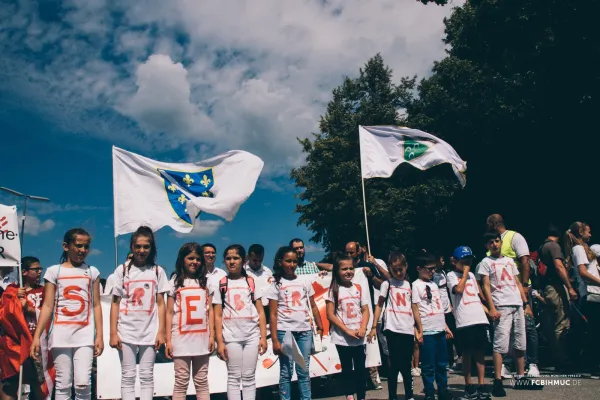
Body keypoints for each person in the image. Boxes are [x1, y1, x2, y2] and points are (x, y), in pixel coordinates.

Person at [30, 228, 103, 400]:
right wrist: (37, 336)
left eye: (86, 247)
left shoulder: (93, 272)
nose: (82, 250)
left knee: (83, 382)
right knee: (63, 383)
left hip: (85, 334)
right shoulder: (54, 271)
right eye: (78, 245)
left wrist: (99, 335)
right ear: (65, 246)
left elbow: (96, 305)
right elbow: (48, 305)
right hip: (60, 334)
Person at [477, 232, 542, 396]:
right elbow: (485, 286)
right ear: (487, 246)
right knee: (501, 343)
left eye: (497, 241)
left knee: (520, 340)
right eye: (491, 242)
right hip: (501, 304)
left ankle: (521, 377)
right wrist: (491, 307)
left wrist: (525, 303)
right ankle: (498, 380)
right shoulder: (485, 262)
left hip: (517, 303)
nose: (495, 244)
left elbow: (517, 282)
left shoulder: (509, 261)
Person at [109, 226, 169, 400]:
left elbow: (161, 304)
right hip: (126, 330)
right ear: (132, 247)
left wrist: (161, 331)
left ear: (152, 249)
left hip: (149, 332)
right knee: (128, 375)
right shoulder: (122, 270)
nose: (142, 251)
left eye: (146, 247)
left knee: (147, 375)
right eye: (138, 246)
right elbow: (115, 303)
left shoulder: (158, 271)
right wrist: (113, 332)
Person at [486, 214, 539, 377]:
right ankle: (508, 365)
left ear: (494, 224)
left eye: (488, 225)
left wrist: (524, 286)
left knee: (527, 328)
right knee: (506, 332)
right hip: (502, 295)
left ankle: (532, 363)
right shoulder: (491, 243)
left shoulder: (514, 237)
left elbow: (525, 260)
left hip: (519, 289)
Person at [268, 246, 324, 400]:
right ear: (280, 262)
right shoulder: (276, 283)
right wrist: (274, 340)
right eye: (288, 261)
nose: (291, 265)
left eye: (294, 261)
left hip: (304, 331)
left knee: (303, 370)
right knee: (286, 372)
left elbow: (312, 305)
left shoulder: (304, 281)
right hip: (284, 332)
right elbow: (272, 314)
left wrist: (320, 326)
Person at [214, 244, 268, 400]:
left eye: (236, 258)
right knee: (233, 377)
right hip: (231, 337)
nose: (232, 261)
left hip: (252, 336)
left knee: (249, 377)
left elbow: (260, 312)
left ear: (243, 260)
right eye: (228, 258)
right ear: (224, 261)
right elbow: (217, 315)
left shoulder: (250, 282)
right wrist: (220, 342)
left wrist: (263, 337)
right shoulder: (221, 283)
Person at [166, 243, 214, 400]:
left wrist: (212, 336)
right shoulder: (175, 282)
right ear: (182, 259)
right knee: (181, 382)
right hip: (180, 340)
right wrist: (168, 340)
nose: (195, 261)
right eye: (190, 258)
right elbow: (169, 312)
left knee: (202, 382)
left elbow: (210, 311)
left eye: (198, 259)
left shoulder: (206, 282)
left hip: (201, 340)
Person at [368, 251, 417, 400]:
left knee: (407, 365)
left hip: (407, 328)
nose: (398, 272)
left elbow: (413, 307)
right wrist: (374, 326)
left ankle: (409, 395)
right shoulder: (387, 284)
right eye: (394, 270)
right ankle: (393, 396)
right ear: (390, 268)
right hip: (392, 328)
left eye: (401, 269)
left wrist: (418, 328)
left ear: (406, 266)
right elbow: (379, 305)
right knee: (394, 364)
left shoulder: (409, 285)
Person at [447, 247, 490, 400]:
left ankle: (482, 384)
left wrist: (488, 311)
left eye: (469, 261)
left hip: (478, 317)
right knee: (467, 353)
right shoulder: (451, 275)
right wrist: (464, 274)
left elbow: (478, 297)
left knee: (480, 352)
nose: (467, 264)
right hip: (465, 320)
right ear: (455, 261)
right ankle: (468, 385)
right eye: (464, 261)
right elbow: (458, 290)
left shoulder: (472, 275)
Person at [325, 255, 370, 400]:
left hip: (358, 336)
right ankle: (349, 395)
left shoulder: (358, 287)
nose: (348, 271)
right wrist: (346, 330)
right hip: (342, 338)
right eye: (344, 269)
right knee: (347, 369)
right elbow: (330, 314)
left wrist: (363, 327)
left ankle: (361, 396)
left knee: (361, 369)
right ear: (337, 271)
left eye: (351, 268)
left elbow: (365, 309)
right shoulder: (334, 289)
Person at [412, 253, 453, 400]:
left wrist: (446, 326)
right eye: (428, 269)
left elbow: (439, 306)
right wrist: (418, 329)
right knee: (428, 365)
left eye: (433, 269)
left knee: (442, 363)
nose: (432, 272)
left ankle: (443, 390)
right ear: (419, 268)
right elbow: (415, 308)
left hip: (439, 328)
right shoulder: (416, 285)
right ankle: (429, 392)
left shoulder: (434, 285)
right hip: (427, 330)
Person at [538, 225, 577, 371]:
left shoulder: (543, 246)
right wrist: (570, 287)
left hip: (547, 288)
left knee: (551, 322)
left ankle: (554, 355)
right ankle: (562, 359)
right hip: (556, 287)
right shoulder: (554, 246)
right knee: (561, 322)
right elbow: (559, 267)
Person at [564, 222, 600, 376]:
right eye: (588, 232)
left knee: (595, 331)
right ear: (580, 232)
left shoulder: (586, 248)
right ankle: (593, 366)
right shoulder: (578, 248)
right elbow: (583, 272)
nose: (590, 235)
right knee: (594, 332)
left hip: (595, 292)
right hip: (591, 293)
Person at [432, 253, 457, 371]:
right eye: (441, 260)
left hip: (447, 306)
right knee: (442, 335)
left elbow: (447, 290)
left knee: (450, 335)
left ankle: (451, 360)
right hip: (438, 308)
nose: (443, 262)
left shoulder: (444, 273)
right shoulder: (433, 276)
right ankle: (444, 361)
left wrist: (451, 304)